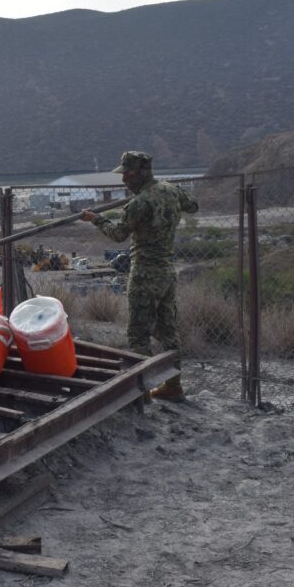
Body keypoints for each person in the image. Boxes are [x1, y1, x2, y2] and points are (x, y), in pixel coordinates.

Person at [81, 151, 198, 401]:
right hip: (167, 272)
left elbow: (118, 234)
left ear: (139, 173)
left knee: (138, 334)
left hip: (144, 273)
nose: (123, 179)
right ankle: (173, 385)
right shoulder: (170, 190)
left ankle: (141, 393)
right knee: (168, 332)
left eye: (127, 173)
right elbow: (193, 205)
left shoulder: (139, 203)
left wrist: (97, 219)